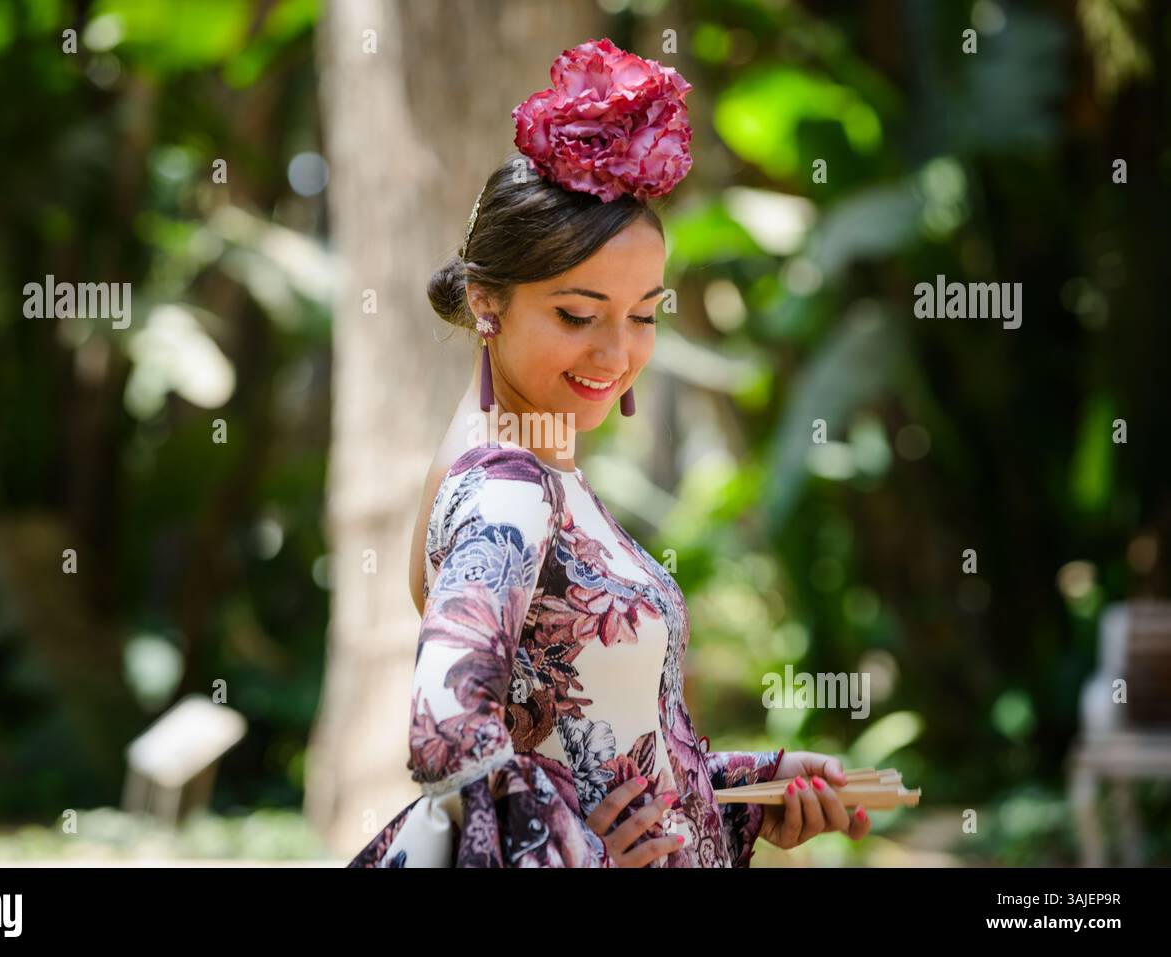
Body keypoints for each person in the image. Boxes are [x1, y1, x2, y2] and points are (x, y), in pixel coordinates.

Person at [348, 37, 870, 868]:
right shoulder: (507, 486)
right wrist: (574, 854)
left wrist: (747, 788)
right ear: (487, 304)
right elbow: (448, 732)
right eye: (577, 313)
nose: (615, 353)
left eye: (643, 313)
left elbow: (582, 746)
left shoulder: (540, 451)